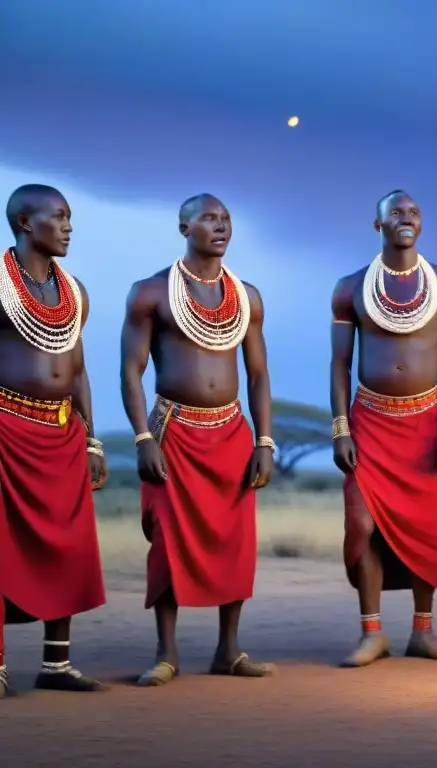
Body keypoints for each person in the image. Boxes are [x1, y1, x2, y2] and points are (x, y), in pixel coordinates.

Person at [120, 193, 275, 687]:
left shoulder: (246, 296)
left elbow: (257, 375)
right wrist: (143, 435)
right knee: (167, 540)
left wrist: (265, 440)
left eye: (226, 218)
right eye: (208, 218)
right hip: (174, 431)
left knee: (236, 542)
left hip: (231, 432)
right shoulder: (150, 292)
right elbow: (131, 369)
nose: (220, 225)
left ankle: (228, 650)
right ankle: (166, 654)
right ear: (184, 227)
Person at [330, 190, 437, 667]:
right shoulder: (351, 287)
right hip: (369, 420)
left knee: (428, 527)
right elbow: (340, 364)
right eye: (396, 213)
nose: (405, 219)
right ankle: (372, 632)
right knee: (363, 524)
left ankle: (422, 632)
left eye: (413, 212)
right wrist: (340, 428)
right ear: (378, 225)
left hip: (427, 421)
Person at [0, 184, 108, 697]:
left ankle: (57, 666)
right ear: (25, 222)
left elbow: (78, 368)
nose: (68, 226)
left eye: (70, 217)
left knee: (68, 548)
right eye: (59, 217)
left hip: (62, 433)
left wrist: (92, 439)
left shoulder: (75, 291)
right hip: (6, 430)